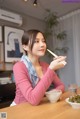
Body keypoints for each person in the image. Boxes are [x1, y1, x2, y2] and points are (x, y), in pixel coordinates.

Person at [10, 29, 67, 106]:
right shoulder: (18, 67)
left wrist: (50, 94)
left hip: (40, 106)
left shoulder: (46, 66)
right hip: (20, 108)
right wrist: (51, 69)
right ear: (25, 47)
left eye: (43, 41)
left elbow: (61, 86)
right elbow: (33, 99)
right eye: (36, 41)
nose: (42, 44)